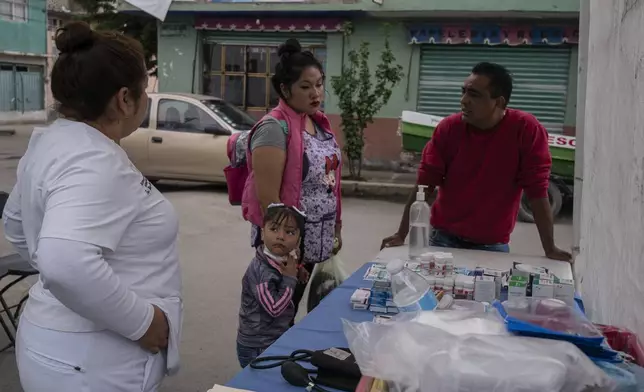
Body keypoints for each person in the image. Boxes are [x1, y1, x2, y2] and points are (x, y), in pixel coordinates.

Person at [1, 22, 183, 391]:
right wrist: (144, 323)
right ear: (124, 99)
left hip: (59, 346)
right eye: (143, 92)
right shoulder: (95, 160)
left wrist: (67, 290)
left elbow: (16, 225)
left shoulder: (53, 143)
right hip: (94, 360)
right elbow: (64, 261)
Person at [381, 62, 571, 262]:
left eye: (474, 95)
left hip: (493, 245)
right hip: (442, 239)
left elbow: (537, 192)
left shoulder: (526, 130)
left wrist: (550, 248)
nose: (464, 101)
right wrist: (401, 234)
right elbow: (425, 184)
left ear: (499, 102)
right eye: (463, 92)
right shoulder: (448, 129)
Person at [242, 38, 343, 315]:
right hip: (288, 250)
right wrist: (287, 254)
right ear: (285, 89)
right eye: (306, 87)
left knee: (296, 313)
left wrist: (336, 226)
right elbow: (269, 201)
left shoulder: (318, 122)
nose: (316, 93)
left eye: (319, 84)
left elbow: (330, 182)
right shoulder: (273, 129)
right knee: (275, 318)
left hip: (315, 245)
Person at [236, 204, 308, 367]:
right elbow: (274, 308)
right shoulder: (261, 270)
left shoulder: (281, 257)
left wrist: (298, 269)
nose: (281, 236)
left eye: (289, 232)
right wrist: (290, 279)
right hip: (257, 345)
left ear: (298, 241)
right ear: (262, 233)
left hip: (273, 337)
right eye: (274, 229)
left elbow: (286, 265)